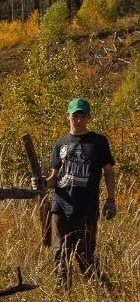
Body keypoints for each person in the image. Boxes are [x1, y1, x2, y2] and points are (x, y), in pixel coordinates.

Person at [40, 97, 116, 287]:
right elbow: (54, 178)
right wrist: (42, 183)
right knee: (59, 255)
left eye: (82, 116)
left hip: (86, 210)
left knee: (85, 257)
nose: (79, 119)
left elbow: (108, 171)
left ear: (88, 117)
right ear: (68, 116)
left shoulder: (98, 142)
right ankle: (62, 294)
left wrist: (111, 199)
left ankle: (102, 293)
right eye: (75, 116)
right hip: (60, 208)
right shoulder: (60, 144)